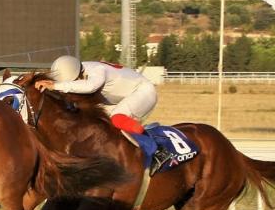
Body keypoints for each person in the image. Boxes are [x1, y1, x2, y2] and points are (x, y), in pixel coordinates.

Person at [34, 55, 173, 171]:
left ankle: (159, 150)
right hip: (120, 99)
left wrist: (56, 86)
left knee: (118, 118)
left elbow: (90, 86)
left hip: (143, 91)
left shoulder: (97, 70)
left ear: (78, 75)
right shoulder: (76, 70)